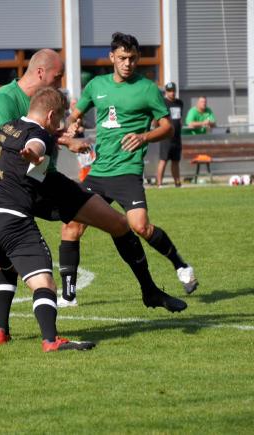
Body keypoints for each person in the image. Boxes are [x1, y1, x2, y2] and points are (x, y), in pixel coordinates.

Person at [0, 48, 187, 344]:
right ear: (40, 73)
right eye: (57, 77)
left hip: (49, 182)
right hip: (16, 190)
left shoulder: (42, 104)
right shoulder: (5, 100)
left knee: (118, 224)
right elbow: (9, 141)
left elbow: (38, 132)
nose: (60, 83)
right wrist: (49, 143)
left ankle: (149, 291)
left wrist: (64, 139)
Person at [59, 33, 198, 308]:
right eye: (122, 58)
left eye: (132, 58)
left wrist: (144, 137)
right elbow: (74, 115)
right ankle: (68, 295)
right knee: (71, 227)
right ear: (112, 58)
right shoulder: (96, 85)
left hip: (127, 171)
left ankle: (181, 266)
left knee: (140, 226)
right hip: (98, 172)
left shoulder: (147, 89)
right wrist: (73, 127)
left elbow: (166, 127)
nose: (128, 63)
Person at [0, 88, 96, 352]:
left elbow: (37, 138)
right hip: (10, 222)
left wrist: (55, 139)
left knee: (5, 264)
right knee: (44, 281)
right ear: (49, 115)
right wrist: (34, 155)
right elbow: (36, 144)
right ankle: (50, 340)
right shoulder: (38, 137)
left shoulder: (6, 128)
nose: (58, 125)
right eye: (57, 120)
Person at [156, 82, 184, 188]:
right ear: (166, 92)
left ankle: (177, 183)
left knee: (176, 161)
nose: (172, 93)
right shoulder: (162, 103)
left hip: (177, 137)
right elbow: (157, 119)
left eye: (173, 91)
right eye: (169, 91)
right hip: (166, 137)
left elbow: (179, 119)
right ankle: (159, 183)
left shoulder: (179, 103)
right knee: (163, 160)